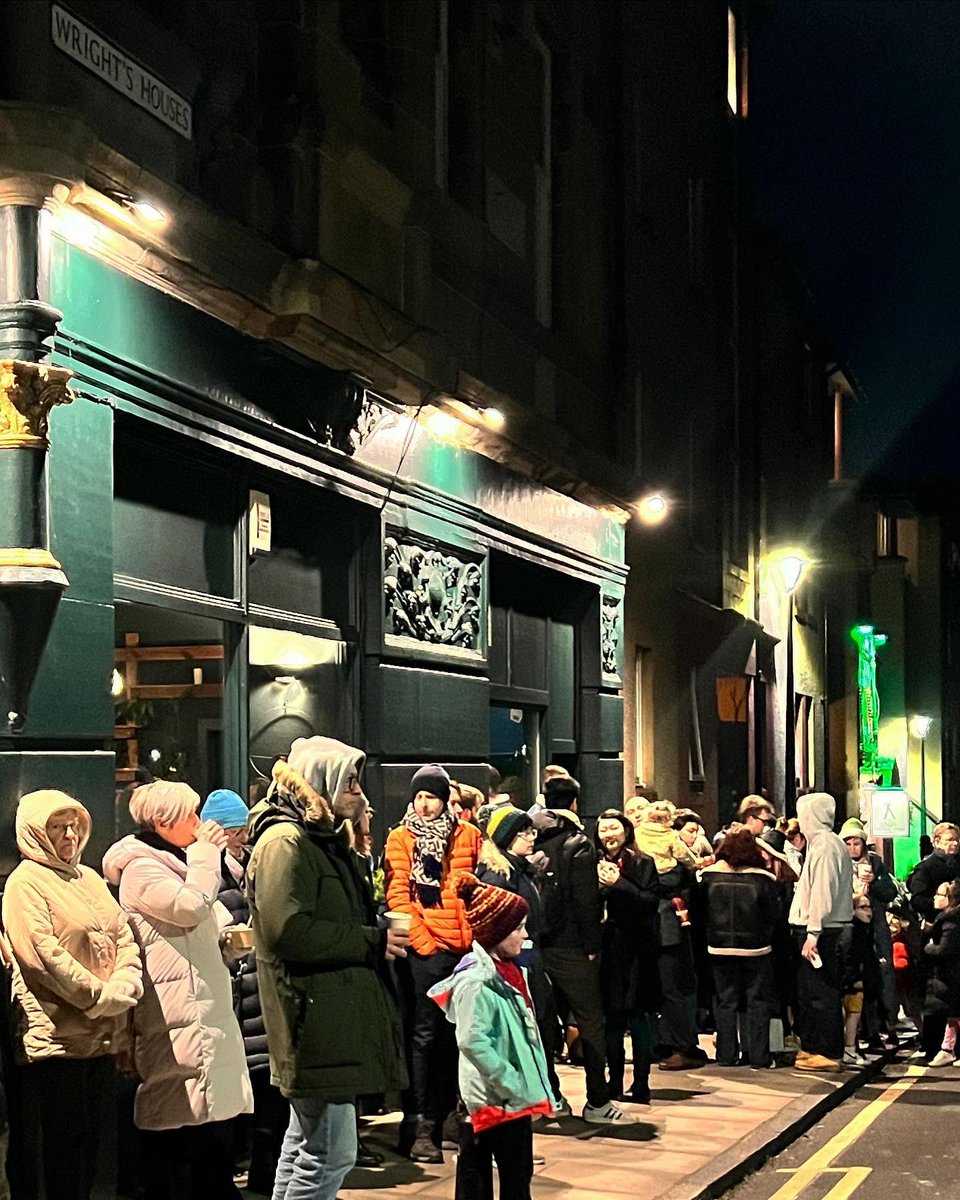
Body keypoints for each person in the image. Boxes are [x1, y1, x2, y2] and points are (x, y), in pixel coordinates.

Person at [246, 737, 407, 1200]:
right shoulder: (286, 841)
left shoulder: (319, 838)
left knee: (305, 1142)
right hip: (312, 1015)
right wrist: (370, 939)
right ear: (322, 781)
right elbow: (287, 931)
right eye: (350, 781)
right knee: (332, 1153)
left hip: (325, 1013)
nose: (361, 793)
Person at [102, 781, 253, 1200]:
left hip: (201, 1007)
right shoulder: (141, 868)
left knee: (206, 1125)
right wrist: (207, 854)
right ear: (164, 822)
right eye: (191, 815)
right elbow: (189, 908)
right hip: (173, 1012)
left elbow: (207, 916)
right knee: (175, 1132)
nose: (199, 822)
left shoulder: (174, 860)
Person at [2, 790, 143, 1200]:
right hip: (57, 1042)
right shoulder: (25, 884)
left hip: (100, 1038)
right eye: (56, 827)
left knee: (89, 1153)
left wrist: (125, 986)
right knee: (56, 1154)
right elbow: (42, 957)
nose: (68, 835)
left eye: (73, 826)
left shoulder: (91, 878)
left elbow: (124, 936)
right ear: (34, 831)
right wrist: (100, 996)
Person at [429, 874, 553, 1200]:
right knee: (475, 1179)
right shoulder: (476, 981)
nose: (525, 935)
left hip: (513, 1100)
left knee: (518, 1176)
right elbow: (472, 1040)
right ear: (495, 932)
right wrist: (511, 1081)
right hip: (490, 1099)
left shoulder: (511, 971)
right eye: (517, 929)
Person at [384, 763, 483, 1161]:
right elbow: (398, 896)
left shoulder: (469, 835)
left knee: (456, 1038)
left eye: (431, 797)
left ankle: (449, 1117)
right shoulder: (400, 837)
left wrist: (472, 939)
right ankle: (419, 1124)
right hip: (427, 952)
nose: (424, 805)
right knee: (423, 1037)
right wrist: (423, 944)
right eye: (419, 796)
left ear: (445, 799)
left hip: (464, 952)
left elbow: (479, 887)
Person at [199, 787, 288, 1195]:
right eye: (235, 831)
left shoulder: (251, 865)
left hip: (259, 989)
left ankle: (264, 1173)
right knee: (236, 1092)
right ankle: (234, 1169)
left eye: (242, 830)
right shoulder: (204, 872)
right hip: (234, 993)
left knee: (269, 1092)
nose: (242, 838)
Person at [533, 776, 634, 1123]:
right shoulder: (577, 842)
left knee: (543, 1023)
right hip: (573, 946)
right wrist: (592, 945)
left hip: (535, 944)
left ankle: (551, 1097)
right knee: (591, 1021)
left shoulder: (531, 835)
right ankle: (597, 1101)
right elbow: (585, 901)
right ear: (575, 803)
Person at [476, 806, 564, 1112]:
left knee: (540, 1025)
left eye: (531, 831)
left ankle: (543, 1093)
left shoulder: (522, 869)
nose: (531, 837)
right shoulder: (499, 874)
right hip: (515, 961)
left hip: (529, 956)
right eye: (524, 832)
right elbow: (497, 926)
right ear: (507, 837)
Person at [594, 809, 661, 1102]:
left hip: (637, 951)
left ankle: (642, 1082)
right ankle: (614, 1082)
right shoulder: (591, 863)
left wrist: (618, 884)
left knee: (638, 1017)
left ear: (626, 831)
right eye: (603, 829)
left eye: (614, 828)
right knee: (612, 1019)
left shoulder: (643, 862)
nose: (609, 835)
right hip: (606, 950)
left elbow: (650, 901)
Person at [700, 830, 780, 1069]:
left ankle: (726, 1054)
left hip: (719, 948)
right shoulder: (763, 879)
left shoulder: (708, 877)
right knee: (757, 1002)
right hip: (757, 949)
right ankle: (759, 1056)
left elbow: (701, 913)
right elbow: (772, 916)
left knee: (725, 1002)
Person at [788, 792, 853, 1071]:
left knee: (820, 993)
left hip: (821, 931)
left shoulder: (825, 845)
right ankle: (814, 1047)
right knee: (813, 992)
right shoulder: (823, 844)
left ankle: (827, 1051)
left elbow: (822, 892)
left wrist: (813, 932)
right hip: (822, 929)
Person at [634, 802, 702, 1070]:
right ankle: (678, 1046)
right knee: (672, 989)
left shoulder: (637, 846)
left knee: (650, 989)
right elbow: (689, 865)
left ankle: (655, 1045)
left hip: (643, 928)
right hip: (668, 929)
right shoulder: (673, 852)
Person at [839, 818, 899, 1046]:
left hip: (875, 928)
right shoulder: (838, 862)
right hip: (850, 929)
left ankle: (884, 1026)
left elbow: (890, 892)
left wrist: (874, 881)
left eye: (857, 843)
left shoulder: (875, 863)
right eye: (849, 843)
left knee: (881, 975)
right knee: (855, 979)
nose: (853, 848)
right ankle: (859, 1031)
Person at [839, 892, 882, 1066]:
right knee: (852, 1015)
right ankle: (849, 1049)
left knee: (855, 1015)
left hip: (859, 980)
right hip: (852, 982)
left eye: (869, 907)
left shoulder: (865, 930)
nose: (868, 911)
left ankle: (851, 1049)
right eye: (863, 907)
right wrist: (853, 978)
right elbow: (848, 956)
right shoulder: (852, 930)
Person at [924, 880, 960, 1067]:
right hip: (950, 974)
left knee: (955, 1011)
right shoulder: (946, 919)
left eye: (940, 895)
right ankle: (947, 1049)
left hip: (952, 974)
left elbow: (943, 950)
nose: (935, 898)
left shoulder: (951, 922)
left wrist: (928, 946)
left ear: (950, 898)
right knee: (953, 1013)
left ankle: (947, 1049)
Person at [908, 822, 960, 921]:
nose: (955, 843)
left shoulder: (957, 864)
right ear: (937, 842)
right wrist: (936, 903)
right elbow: (917, 900)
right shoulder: (925, 867)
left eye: (957, 840)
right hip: (939, 924)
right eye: (950, 840)